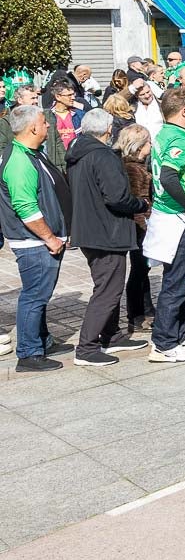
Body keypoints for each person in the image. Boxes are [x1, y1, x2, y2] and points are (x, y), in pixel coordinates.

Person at [66, 109, 149, 367]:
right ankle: (87, 348)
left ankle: (111, 335)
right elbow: (116, 197)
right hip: (106, 231)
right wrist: (140, 204)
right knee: (108, 290)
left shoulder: (79, 152)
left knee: (107, 285)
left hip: (91, 229)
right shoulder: (103, 156)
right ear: (108, 129)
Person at [0, 106, 73, 373]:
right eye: (44, 123)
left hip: (40, 240)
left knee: (39, 294)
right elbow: (26, 208)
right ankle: (29, 353)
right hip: (35, 243)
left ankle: (42, 341)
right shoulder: (19, 162)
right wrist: (50, 238)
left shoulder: (28, 153)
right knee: (34, 296)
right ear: (32, 128)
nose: (49, 126)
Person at [146, 87, 185, 363]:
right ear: (183, 111)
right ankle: (163, 342)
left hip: (171, 216)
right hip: (178, 219)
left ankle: (180, 333)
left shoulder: (164, 134)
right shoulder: (177, 139)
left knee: (182, 277)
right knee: (176, 281)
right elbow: (169, 178)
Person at [115, 124, 155, 335]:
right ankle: (136, 315)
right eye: (148, 141)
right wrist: (145, 224)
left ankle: (146, 310)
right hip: (139, 227)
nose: (151, 145)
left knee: (143, 270)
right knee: (139, 270)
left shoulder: (137, 164)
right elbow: (136, 201)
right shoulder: (132, 168)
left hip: (141, 225)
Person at [44, 82, 85, 165]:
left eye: (73, 94)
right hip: (57, 160)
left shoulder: (79, 115)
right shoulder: (47, 116)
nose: (73, 98)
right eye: (69, 95)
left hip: (76, 159)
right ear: (58, 97)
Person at [0, 85, 41, 150]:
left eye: (36, 98)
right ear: (20, 100)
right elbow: (1, 147)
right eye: (32, 98)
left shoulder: (42, 117)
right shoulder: (6, 122)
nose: (36, 101)